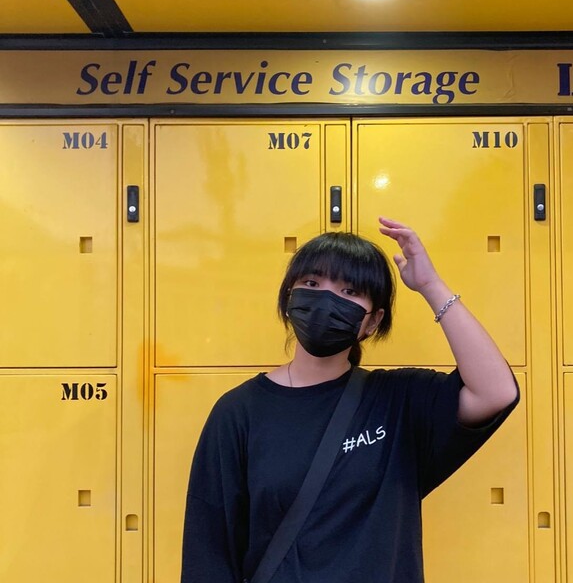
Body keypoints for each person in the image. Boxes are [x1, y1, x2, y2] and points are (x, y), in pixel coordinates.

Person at [181, 216, 520, 583]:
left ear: (372, 322)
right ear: (289, 297)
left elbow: (496, 391)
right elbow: (208, 551)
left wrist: (431, 286)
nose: (327, 299)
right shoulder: (237, 412)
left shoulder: (398, 401)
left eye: (350, 291)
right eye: (312, 283)